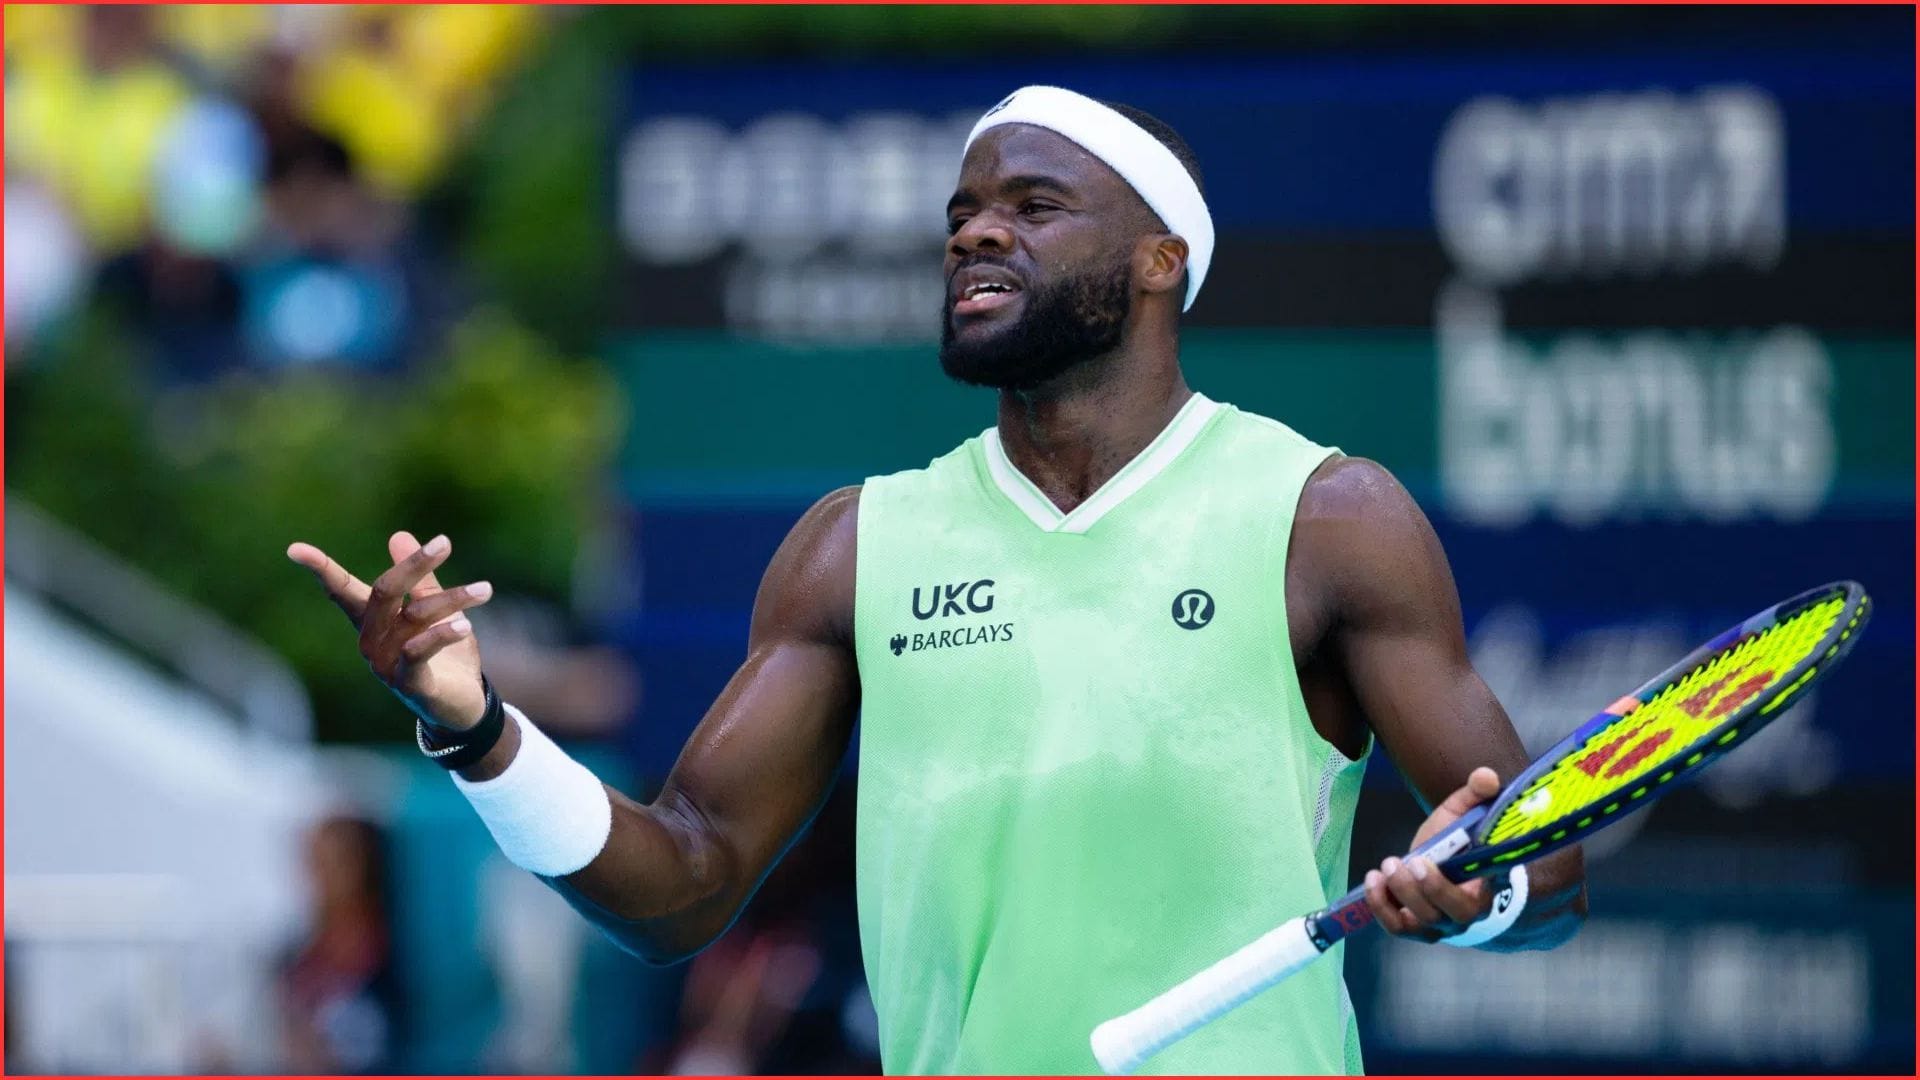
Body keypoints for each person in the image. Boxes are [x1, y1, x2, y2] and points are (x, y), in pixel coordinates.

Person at [289, 85, 1586, 1074]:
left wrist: (1479, 898)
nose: (975, 235)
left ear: (1158, 261)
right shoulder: (861, 545)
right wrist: (476, 732)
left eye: (1031, 207)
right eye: (962, 214)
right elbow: (680, 887)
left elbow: (1548, 876)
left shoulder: (1325, 517)